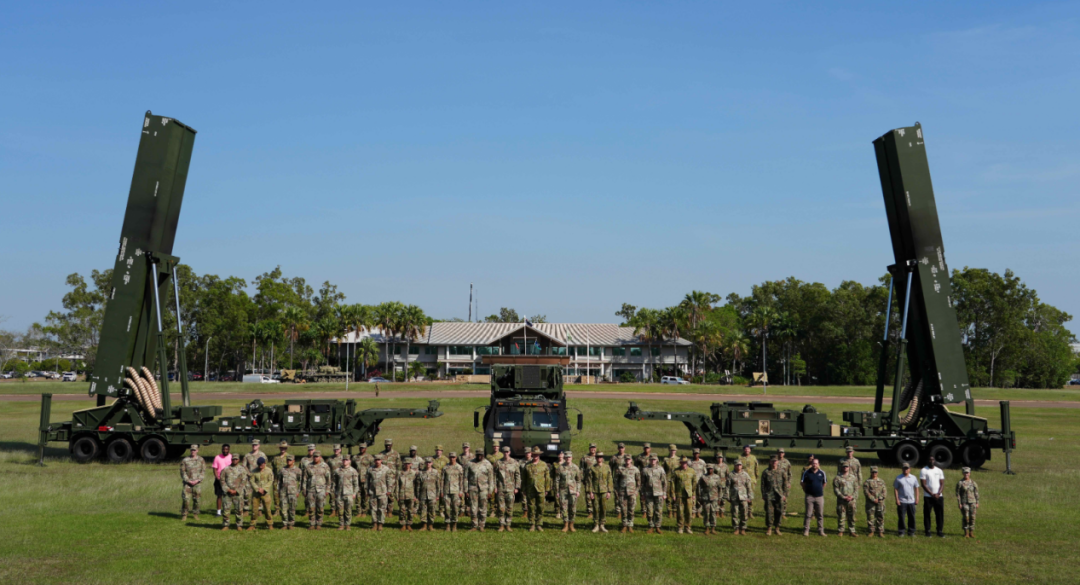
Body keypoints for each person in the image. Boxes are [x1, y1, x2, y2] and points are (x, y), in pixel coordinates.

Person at [554, 451, 583, 532]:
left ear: (572, 458)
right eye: (566, 457)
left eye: (569, 457)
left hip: (573, 491)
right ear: (564, 458)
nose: (568, 459)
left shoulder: (575, 468)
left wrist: (578, 490)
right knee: (564, 508)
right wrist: (557, 491)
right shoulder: (560, 468)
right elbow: (557, 480)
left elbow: (578, 480)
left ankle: (571, 525)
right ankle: (565, 525)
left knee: (573, 508)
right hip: (563, 491)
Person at [494, 446, 521, 532]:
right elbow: (494, 476)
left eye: (507, 452)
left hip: (510, 488)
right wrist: (495, 487)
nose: (506, 453)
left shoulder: (514, 463)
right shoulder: (498, 462)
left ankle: (508, 524)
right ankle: (501, 525)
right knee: (501, 508)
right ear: (502, 452)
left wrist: (517, 487)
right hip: (501, 488)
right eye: (504, 452)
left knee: (510, 508)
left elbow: (517, 475)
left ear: (509, 452)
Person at [761, 455, 789, 536]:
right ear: (770, 462)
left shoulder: (782, 471)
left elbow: (785, 484)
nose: (774, 462)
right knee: (769, 512)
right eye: (772, 461)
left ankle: (777, 528)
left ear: (777, 462)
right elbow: (763, 485)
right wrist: (763, 494)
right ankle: (769, 528)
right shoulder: (766, 472)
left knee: (779, 512)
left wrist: (785, 495)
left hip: (779, 495)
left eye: (775, 461)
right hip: (769, 495)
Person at [304, 450, 332, 530]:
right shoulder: (308, 466)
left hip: (321, 490)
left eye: (317, 456)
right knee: (311, 508)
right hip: (311, 490)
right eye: (314, 456)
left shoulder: (325, 466)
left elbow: (328, 479)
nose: (315, 458)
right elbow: (305, 479)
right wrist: (304, 489)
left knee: (320, 508)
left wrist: (328, 490)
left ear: (320, 457)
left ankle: (319, 523)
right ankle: (312, 524)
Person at [524, 447, 550, 532]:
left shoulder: (543, 464)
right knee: (531, 507)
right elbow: (524, 478)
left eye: (537, 454)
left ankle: (539, 524)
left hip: (541, 489)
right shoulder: (527, 465)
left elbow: (547, 478)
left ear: (539, 455)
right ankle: (532, 524)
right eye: (534, 454)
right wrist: (523, 489)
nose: (536, 456)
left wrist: (547, 489)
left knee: (540, 507)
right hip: (530, 489)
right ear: (532, 454)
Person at [467, 451, 494, 531]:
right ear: (476, 455)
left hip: (484, 489)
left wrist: (490, 491)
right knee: (473, 508)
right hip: (473, 488)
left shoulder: (488, 464)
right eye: (478, 455)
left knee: (483, 507)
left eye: (481, 455)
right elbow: (465, 478)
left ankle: (482, 525)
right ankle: (474, 525)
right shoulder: (470, 463)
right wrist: (466, 490)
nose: (479, 457)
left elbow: (491, 479)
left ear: (483, 455)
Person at [800, 457, 827, 537]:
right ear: (811, 464)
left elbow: (824, 483)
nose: (814, 465)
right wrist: (806, 490)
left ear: (818, 464)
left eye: (816, 463)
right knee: (808, 514)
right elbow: (802, 483)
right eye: (813, 463)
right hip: (809, 497)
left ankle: (821, 531)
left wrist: (819, 489)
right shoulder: (806, 472)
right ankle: (806, 530)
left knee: (820, 514)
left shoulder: (822, 473)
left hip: (819, 497)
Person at [641, 455, 667, 534]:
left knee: (659, 511)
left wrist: (664, 493)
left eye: (654, 459)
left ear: (657, 460)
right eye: (651, 459)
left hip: (659, 493)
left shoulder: (660, 469)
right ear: (649, 460)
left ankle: (658, 526)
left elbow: (664, 482)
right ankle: (651, 526)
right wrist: (643, 493)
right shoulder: (645, 469)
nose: (653, 461)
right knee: (649, 511)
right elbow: (642, 483)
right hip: (649, 493)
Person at [920, 456, 946, 537]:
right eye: (930, 460)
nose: (931, 461)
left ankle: (939, 531)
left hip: (939, 496)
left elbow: (942, 483)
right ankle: (927, 530)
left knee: (939, 514)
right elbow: (923, 484)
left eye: (933, 460)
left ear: (935, 461)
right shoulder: (924, 470)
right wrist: (932, 494)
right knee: (927, 514)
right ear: (927, 461)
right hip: (928, 496)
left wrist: (938, 493)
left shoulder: (939, 470)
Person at [588, 452, 613, 533]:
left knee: (603, 508)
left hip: (604, 491)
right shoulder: (592, 468)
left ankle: (602, 524)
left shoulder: (607, 467)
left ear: (602, 458)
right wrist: (590, 492)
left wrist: (609, 491)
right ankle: (596, 524)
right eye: (598, 457)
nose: (599, 458)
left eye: (601, 457)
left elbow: (609, 479)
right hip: (595, 491)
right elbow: (589, 481)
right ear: (596, 458)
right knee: (595, 508)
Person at [220, 454, 246, 531]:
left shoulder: (242, 470)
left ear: (239, 460)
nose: (234, 460)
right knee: (226, 510)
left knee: (239, 510)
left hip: (238, 493)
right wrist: (228, 490)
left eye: (236, 459)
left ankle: (239, 525)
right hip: (228, 493)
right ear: (231, 460)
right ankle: (226, 524)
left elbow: (244, 481)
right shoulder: (226, 469)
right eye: (233, 459)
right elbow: (222, 480)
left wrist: (237, 491)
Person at [367, 453, 393, 531]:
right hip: (373, 491)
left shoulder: (386, 469)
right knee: (373, 509)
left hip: (383, 491)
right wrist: (367, 490)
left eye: (378, 460)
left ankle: (380, 524)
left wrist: (389, 490)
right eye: (376, 460)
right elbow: (367, 481)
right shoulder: (370, 469)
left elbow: (389, 480)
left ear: (381, 460)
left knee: (382, 509)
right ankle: (374, 524)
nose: (377, 461)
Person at [894, 462, 920, 537]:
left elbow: (916, 488)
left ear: (909, 469)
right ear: (902, 469)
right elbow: (896, 489)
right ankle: (901, 531)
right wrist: (897, 499)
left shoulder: (913, 478)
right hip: (902, 501)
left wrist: (917, 498)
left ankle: (911, 532)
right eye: (904, 468)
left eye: (907, 468)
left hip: (911, 501)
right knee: (901, 517)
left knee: (912, 517)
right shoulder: (898, 478)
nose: (906, 470)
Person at [248, 456, 275, 530]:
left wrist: (264, 489)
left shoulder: (269, 471)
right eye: (259, 465)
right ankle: (252, 525)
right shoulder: (254, 471)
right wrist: (257, 489)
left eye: (261, 465)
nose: (260, 466)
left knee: (267, 509)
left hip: (265, 493)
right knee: (254, 510)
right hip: (256, 493)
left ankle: (270, 524)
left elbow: (270, 480)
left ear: (264, 463)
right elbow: (252, 481)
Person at [442, 452, 466, 532]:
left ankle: (454, 524)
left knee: (455, 508)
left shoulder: (459, 467)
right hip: (446, 491)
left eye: (453, 457)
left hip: (456, 491)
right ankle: (447, 524)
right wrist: (441, 491)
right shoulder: (445, 467)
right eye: (451, 457)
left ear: (456, 458)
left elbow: (461, 480)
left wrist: (461, 491)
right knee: (447, 508)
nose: (452, 459)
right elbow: (442, 480)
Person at [616, 455, 641, 533]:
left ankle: (630, 525)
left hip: (632, 492)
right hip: (622, 492)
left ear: (631, 460)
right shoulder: (620, 469)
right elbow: (616, 481)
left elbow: (638, 482)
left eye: (629, 459)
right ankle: (624, 525)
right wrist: (618, 491)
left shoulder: (635, 469)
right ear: (624, 460)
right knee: (623, 510)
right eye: (626, 459)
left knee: (631, 509)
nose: (627, 460)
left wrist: (636, 491)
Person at [180, 444, 205, 521]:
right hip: (188, 483)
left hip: (197, 483)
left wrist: (198, 480)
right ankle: (184, 514)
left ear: (197, 450)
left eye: (194, 450)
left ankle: (195, 514)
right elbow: (182, 472)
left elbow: (203, 471)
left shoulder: (201, 460)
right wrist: (188, 480)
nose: (193, 451)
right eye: (191, 450)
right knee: (186, 499)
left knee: (197, 500)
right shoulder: (185, 460)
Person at [672, 457, 696, 534]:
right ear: (680, 463)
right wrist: (673, 494)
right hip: (679, 494)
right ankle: (680, 527)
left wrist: (693, 494)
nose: (684, 464)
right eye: (682, 462)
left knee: (689, 512)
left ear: (687, 463)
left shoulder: (692, 471)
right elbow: (673, 483)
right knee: (680, 512)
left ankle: (688, 527)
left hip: (689, 494)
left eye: (685, 462)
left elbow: (694, 483)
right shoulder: (676, 471)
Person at [833, 462, 858, 536]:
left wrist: (852, 496)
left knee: (852, 516)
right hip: (841, 500)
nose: (845, 468)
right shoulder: (837, 478)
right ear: (841, 467)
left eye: (846, 467)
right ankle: (841, 530)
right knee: (841, 515)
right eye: (844, 467)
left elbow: (856, 489)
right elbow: (836, 489)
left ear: (849, 467)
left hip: (851, 501)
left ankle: (852, 531)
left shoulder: (853, 477)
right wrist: (843, 497)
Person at [242, 440, 268, 512]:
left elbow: (265, 465)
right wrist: (248, 473)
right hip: (249, 478)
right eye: (253, 445)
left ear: (259, 445)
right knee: (247, 494)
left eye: (256, 445)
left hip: (259, 477)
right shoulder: (247, 455)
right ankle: (246, 509)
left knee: (259, 492)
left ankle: (259, 510)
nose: (254, 446)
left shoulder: (262, 455)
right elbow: (244, 466)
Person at [697, 464, 723, 535]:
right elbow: (699, 487)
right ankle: (707, 528)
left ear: (713, 469)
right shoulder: (703, 477)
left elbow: (720, 488)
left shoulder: (717, 477)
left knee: (713, 512)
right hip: (706, 497)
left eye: (711, 469)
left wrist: (720, 498)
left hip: (714, 497)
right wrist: (700, 497)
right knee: (706, 513)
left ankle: (713, 528)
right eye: (708, 469)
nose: (710, 470)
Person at [416, 457, 441, 531]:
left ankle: (431, 525)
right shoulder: (421, 473)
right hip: (423, 494)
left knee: (432, 510)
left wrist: (437, 495)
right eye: (427, 462)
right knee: (423, 510)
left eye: (429, 462)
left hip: (432, 494)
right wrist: (418, 495)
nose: (428, 464)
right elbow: (418, 485)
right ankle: (424, 525)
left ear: (432, 463)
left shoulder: (435, 472)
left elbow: (438, 484)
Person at [729, 461, 754, 535]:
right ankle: (736, 528)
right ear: (734, 466)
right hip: (734, 496)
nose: (739, 466)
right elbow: (727, 486)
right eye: (737, 465)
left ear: (742, 466)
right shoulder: (731, 475)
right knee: (735, 513)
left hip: (744, 497)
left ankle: (743, 528)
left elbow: (749, 487)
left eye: (740, 465)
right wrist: (727, 496)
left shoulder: (745, 475)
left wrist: (750, 497)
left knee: (744, 513)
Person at [336, 454, 360, 531]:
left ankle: (347, 524)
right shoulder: (337, 471)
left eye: (346, 460)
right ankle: (341, 524)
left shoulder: (353, 471)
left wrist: (354, 493)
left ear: (349, 461)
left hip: (349, 493)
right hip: (339, 493)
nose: (345, 461)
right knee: (340, 510)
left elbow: (356, 484)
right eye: (343, 460)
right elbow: (334, 483)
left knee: (348, 510)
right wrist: (335, 492)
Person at [278, 455, 302, 529]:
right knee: (283, 509)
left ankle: (291, 523)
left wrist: (298, 491)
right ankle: (284, 524)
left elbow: (301, 482)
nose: (289, 461)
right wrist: (279, 491)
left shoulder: (297, 470)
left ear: (293, 461)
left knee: (292, 509)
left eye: (290, 460)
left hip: (293, 492)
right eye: (288, 460)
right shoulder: (282, 470)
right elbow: (279, 481)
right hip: (283, 492)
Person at [863, 465, 887, 538]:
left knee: (880, 517)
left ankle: (880, 531)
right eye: (873, 472)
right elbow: (866, 492)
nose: (874, 473)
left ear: (877, 472)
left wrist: (879, 498)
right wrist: (873, 499)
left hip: (880, 502)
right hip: (870, 503)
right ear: (870, 472)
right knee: (871, 517)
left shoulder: (881, 481)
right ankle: (871, 531)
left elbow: (884, 492)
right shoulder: (867, 482)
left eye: (875, 472)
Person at [956, 467, 979, 538]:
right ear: (963, 473)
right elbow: (958, 494)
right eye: (965, 472)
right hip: (964, 502)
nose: (966, 474)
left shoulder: (973, 483)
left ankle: (971, 532)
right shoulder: (960, 483)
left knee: (973, 517)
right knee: (966, 517)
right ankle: (966, 533)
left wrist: (977, 502)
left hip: (973, 502)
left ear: (970, 473)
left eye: (967, 473)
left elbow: (976, 493)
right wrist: (959, 503)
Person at [397, 459, 419, 531]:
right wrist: (397, 495)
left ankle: (409, 524)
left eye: (408, 464)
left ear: (411, 464)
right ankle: (403, 524)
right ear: (403, 464)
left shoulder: (414, 473)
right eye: (406, 463)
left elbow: (416, 485)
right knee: (402, 510)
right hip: (401, 494)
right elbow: (397, 485)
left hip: (411, 494)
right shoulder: (400, 473)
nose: (407, 465)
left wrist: (416, 495)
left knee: (410, 510)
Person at [353, 442, 374, 516]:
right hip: (357, 479)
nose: (362, 449)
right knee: (358, 496)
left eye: (363, 448)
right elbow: (353, 467)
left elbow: (372, 468)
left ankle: (364, 511)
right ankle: (359, 511)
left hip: (366, 479)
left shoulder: (370, 457)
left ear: (366, 449)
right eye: (360, 448)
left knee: (365, 496)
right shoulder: (355, 457)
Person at [737, 445, 759, 518]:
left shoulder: (753, 457)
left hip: (751, 479)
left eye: (748, 449)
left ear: (750, 450)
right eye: (745, 449)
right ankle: (742, 511)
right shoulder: (739, 457)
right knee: (742, 495)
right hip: (742, 479)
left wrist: (756, 478)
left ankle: (750, 512)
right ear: (743, 450)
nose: (747, 450)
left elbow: (756, 468)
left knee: (750, 495)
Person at [610, 442, 629, 518]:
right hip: (617, 479)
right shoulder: (614, 457)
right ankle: (618, 511)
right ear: (618, 448)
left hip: (626, 479)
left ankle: (626, 510)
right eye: (620, 448)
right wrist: (611, 478)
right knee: (617, 495)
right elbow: (610, 468)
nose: (621, 449)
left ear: (624, 448)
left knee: (626, 495)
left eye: (622, 448)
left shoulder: (627, 457)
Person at [212, 444, 232, 516]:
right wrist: (217, 477)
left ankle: (227, 511)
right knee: (219, 495)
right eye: (224, 449)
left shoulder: (231, 457)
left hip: (229, 479)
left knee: (228, 496)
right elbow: (214, 468)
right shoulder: (217, 457)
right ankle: (218, 512)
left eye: (226, 449)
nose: (225, 451)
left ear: (229, 450)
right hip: (219, 479)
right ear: (222, 449)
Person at [271, 440, 290, 514]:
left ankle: (285, 509)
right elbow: (273, 467)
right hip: (276, 479)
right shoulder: (275, 457)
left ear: (286, 448)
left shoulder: (288, 457)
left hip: (285, 479)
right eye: (281, 448)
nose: (283, 449)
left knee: (285, 495)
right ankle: (277, 509)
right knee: (276, 494)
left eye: (284, 448)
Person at [326, 444, 344, 518]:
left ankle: (340, 510)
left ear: (340, 450)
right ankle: (333, 510)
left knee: (340, 496)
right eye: (335, 449)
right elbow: (326, 468)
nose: (336, 451)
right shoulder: (330, 459)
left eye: (337, 449)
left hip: (340, 480)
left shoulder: (343, 458)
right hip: (332, 480)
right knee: (332, 495)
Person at [687, 448, 707, 517]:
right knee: (692, 497)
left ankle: (699, 512)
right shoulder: (689, 462)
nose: (696, 455)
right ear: (693, 454)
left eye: (697, 453)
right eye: (695, 453)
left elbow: (705, 472)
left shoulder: (702, 462)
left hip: (700, 482)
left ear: (699, 454)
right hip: (692, 482)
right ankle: (693, 512)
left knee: (700, 497)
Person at [298, 444, 316, 517]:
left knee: (315, 497)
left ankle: (315, 511)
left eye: (312, 450)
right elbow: (300, 470)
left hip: (315, 481)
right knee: (306, 497)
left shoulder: (318, 458)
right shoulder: (303, 459)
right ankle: (307, 511)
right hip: (306, 481)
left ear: (314, 450)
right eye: (309, 450)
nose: (311, 451)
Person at [663, 444, 681, 518]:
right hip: (668, 479)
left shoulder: (678, 459)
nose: (673, 451)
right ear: (669, 450)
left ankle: (675, 510)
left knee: (676, 495)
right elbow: (663, 470)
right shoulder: (666, 459)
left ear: (676, 451)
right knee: (668, 496)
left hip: (676, 480)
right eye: (671, 450)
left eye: (674, 450)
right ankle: (669, 511)